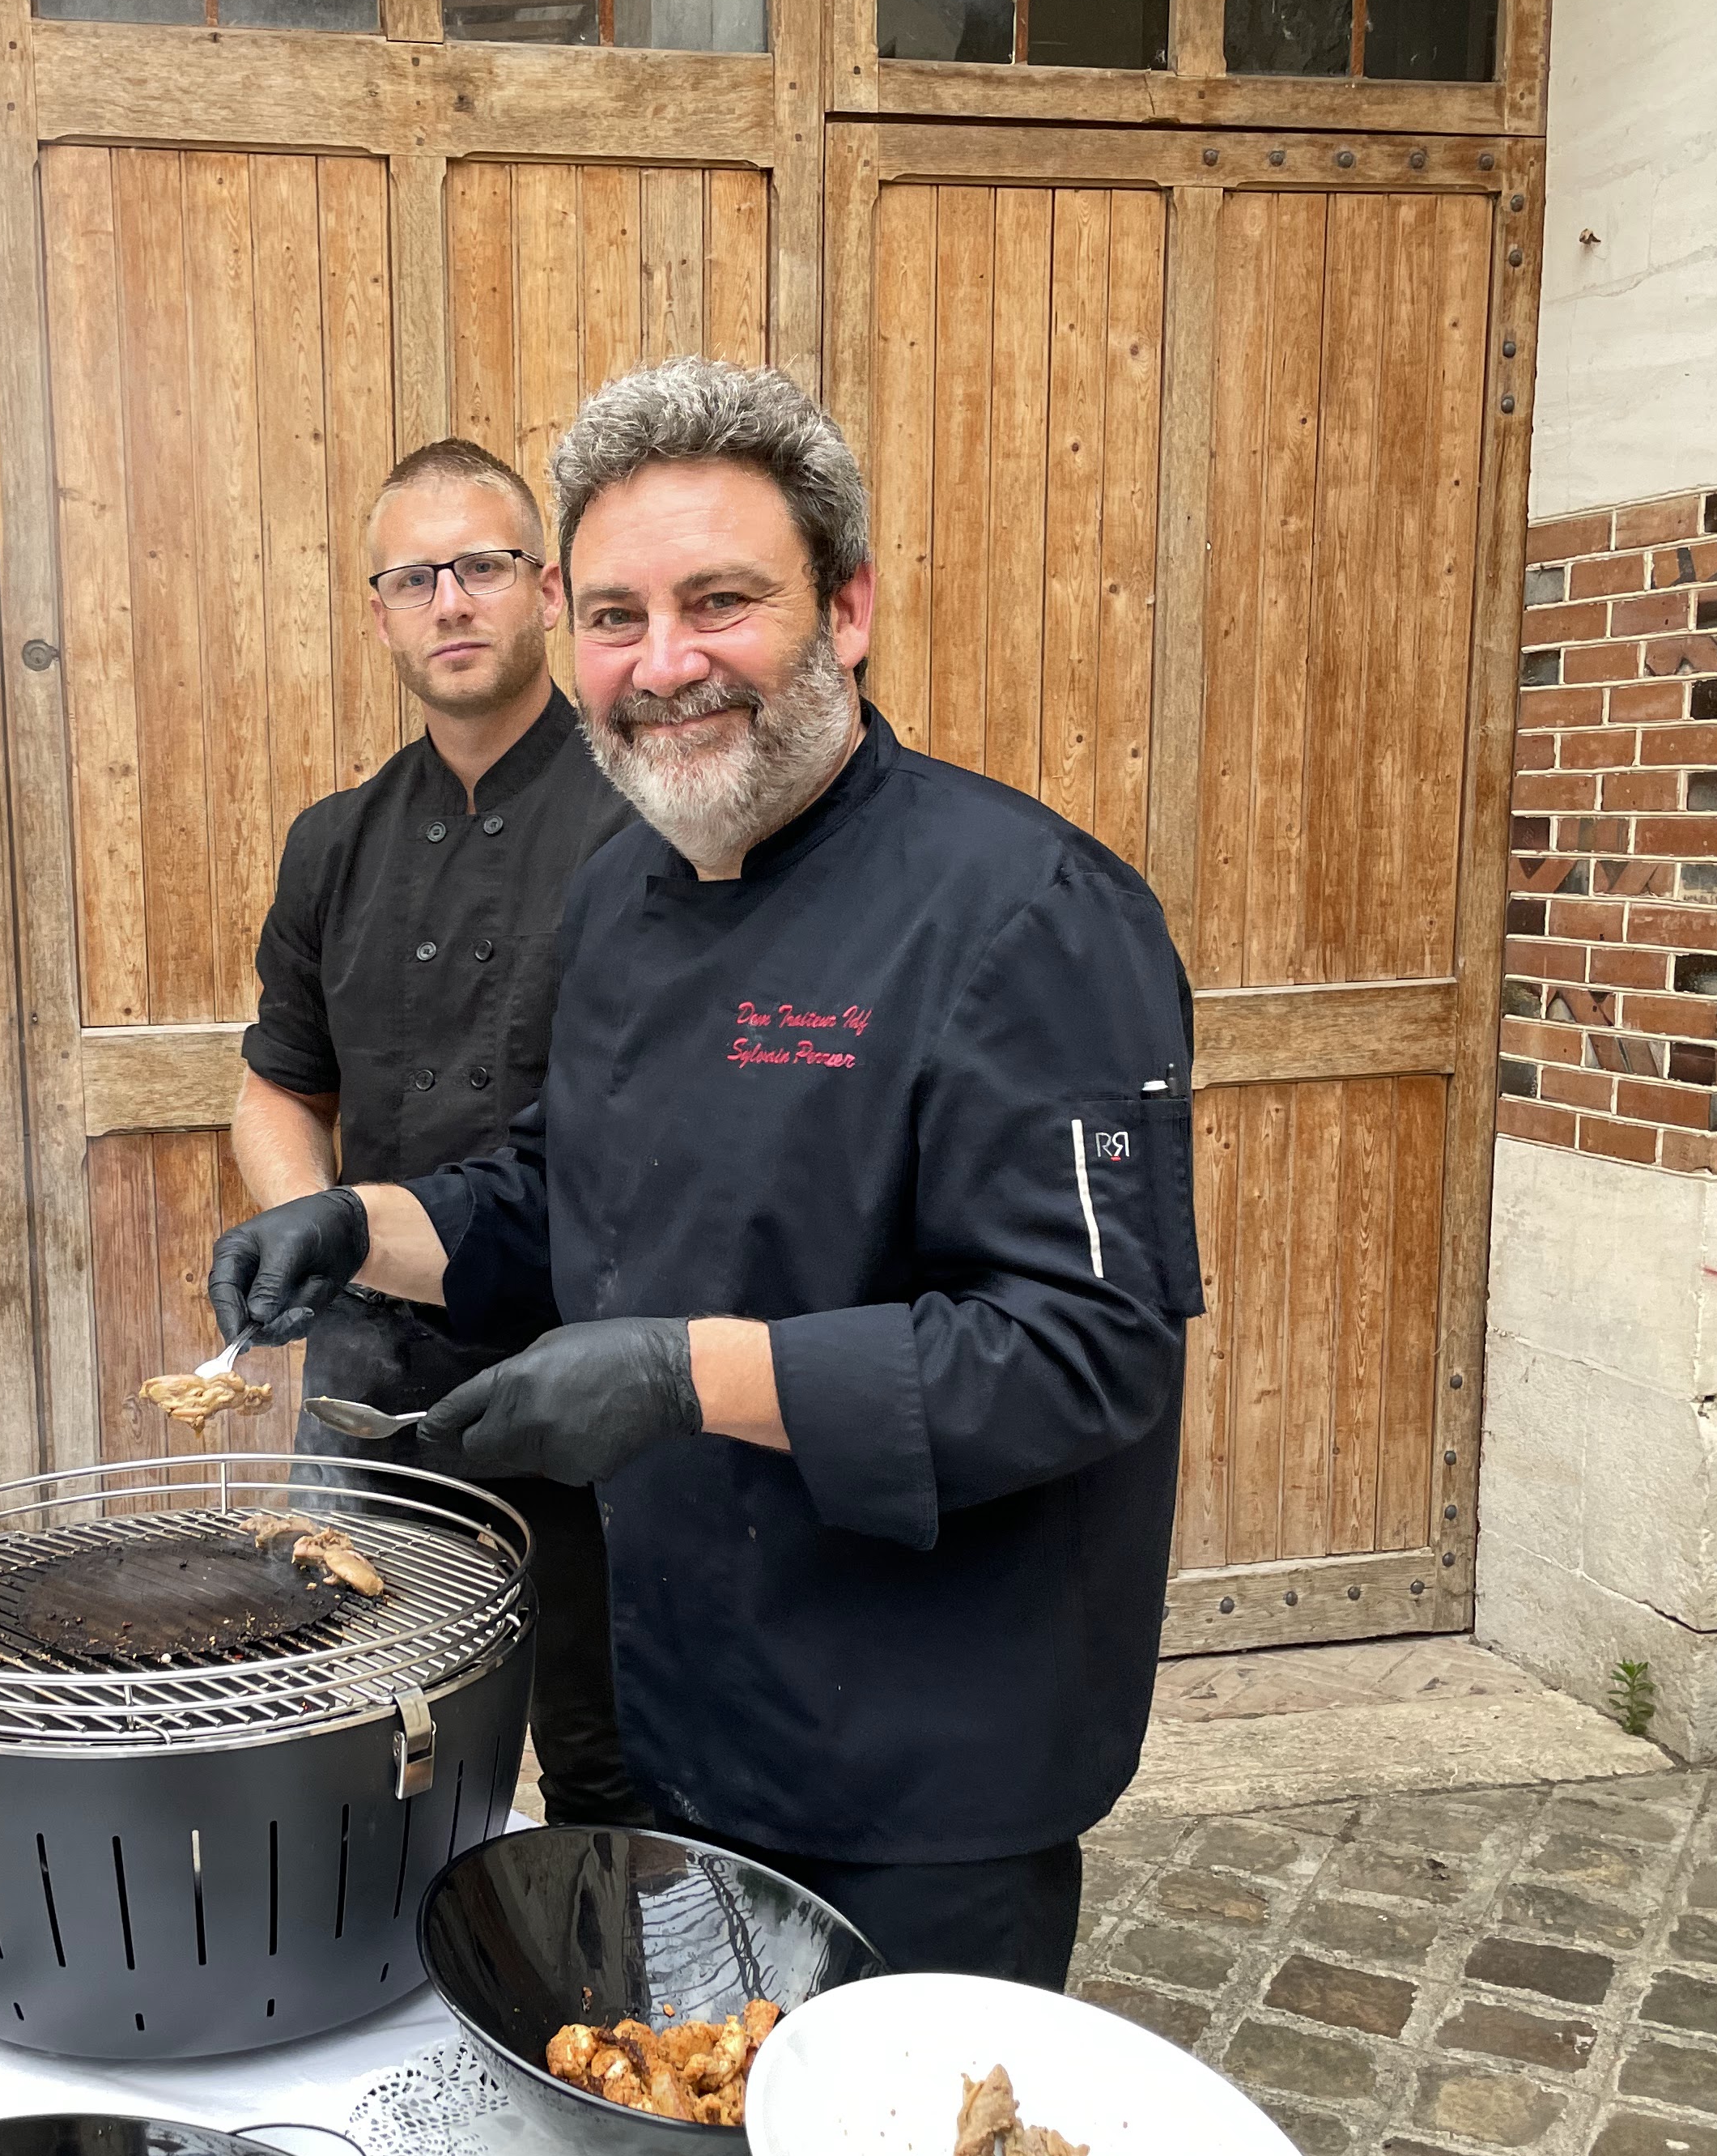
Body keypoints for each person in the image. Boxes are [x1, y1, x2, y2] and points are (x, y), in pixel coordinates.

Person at [209, 361, 1202, 1988]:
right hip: (678, 1722)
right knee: (677, 2112)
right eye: (618, 617)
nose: (664, 666)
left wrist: (685, 1376)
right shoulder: (625, 897)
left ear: (848, 610)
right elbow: (560, 1194)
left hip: (921, 1763)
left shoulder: (1029, 908)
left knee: (881, 2147)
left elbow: (1087, 1350)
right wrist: (356, 1225)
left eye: (721, 602)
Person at [229, 433, 643, 1825]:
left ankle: (595, 1955)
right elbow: (282, 1083)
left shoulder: (648, 822)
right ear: (379, 614)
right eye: (414, 579)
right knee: (354, 1729)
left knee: (606, 1755)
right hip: (371, 1372)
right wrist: (304, 1224)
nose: (450, 602)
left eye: (483, 567)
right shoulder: (332, 840)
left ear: (547, 590)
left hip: (589, 1368)